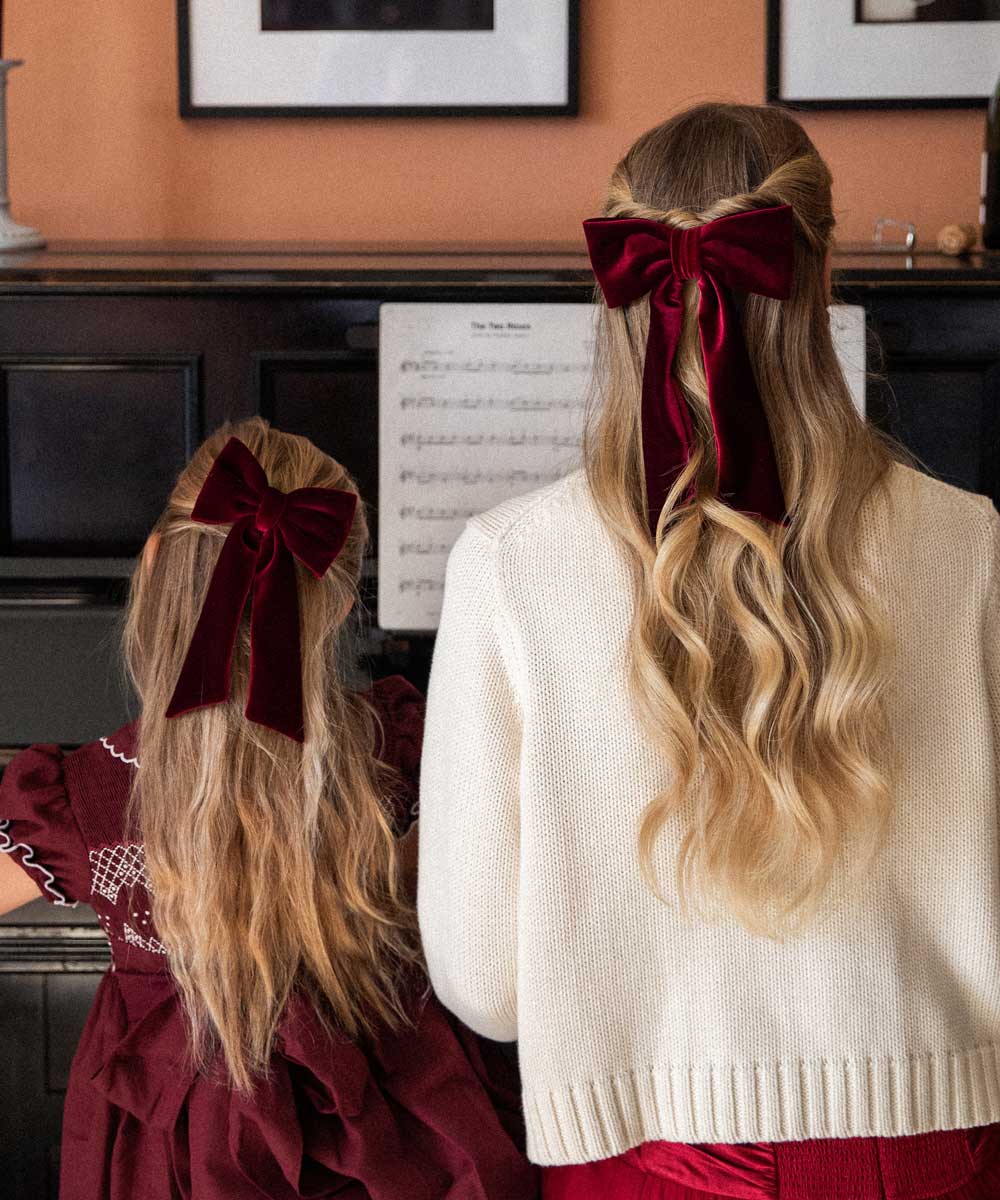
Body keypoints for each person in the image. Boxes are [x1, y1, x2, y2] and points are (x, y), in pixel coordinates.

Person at [416, 103, 1000, 1199]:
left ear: (619, 294)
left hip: (643, 1156)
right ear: (820, 280)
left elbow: (484, 981)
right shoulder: (970, 545)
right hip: (932, 1145)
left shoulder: (507, 564)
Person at [0, 419, 539, 1200]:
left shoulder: (90, 792)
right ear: (345, 597)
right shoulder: (407, 745)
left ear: (154, 563)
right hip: (399, 1139)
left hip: (186, 1161)